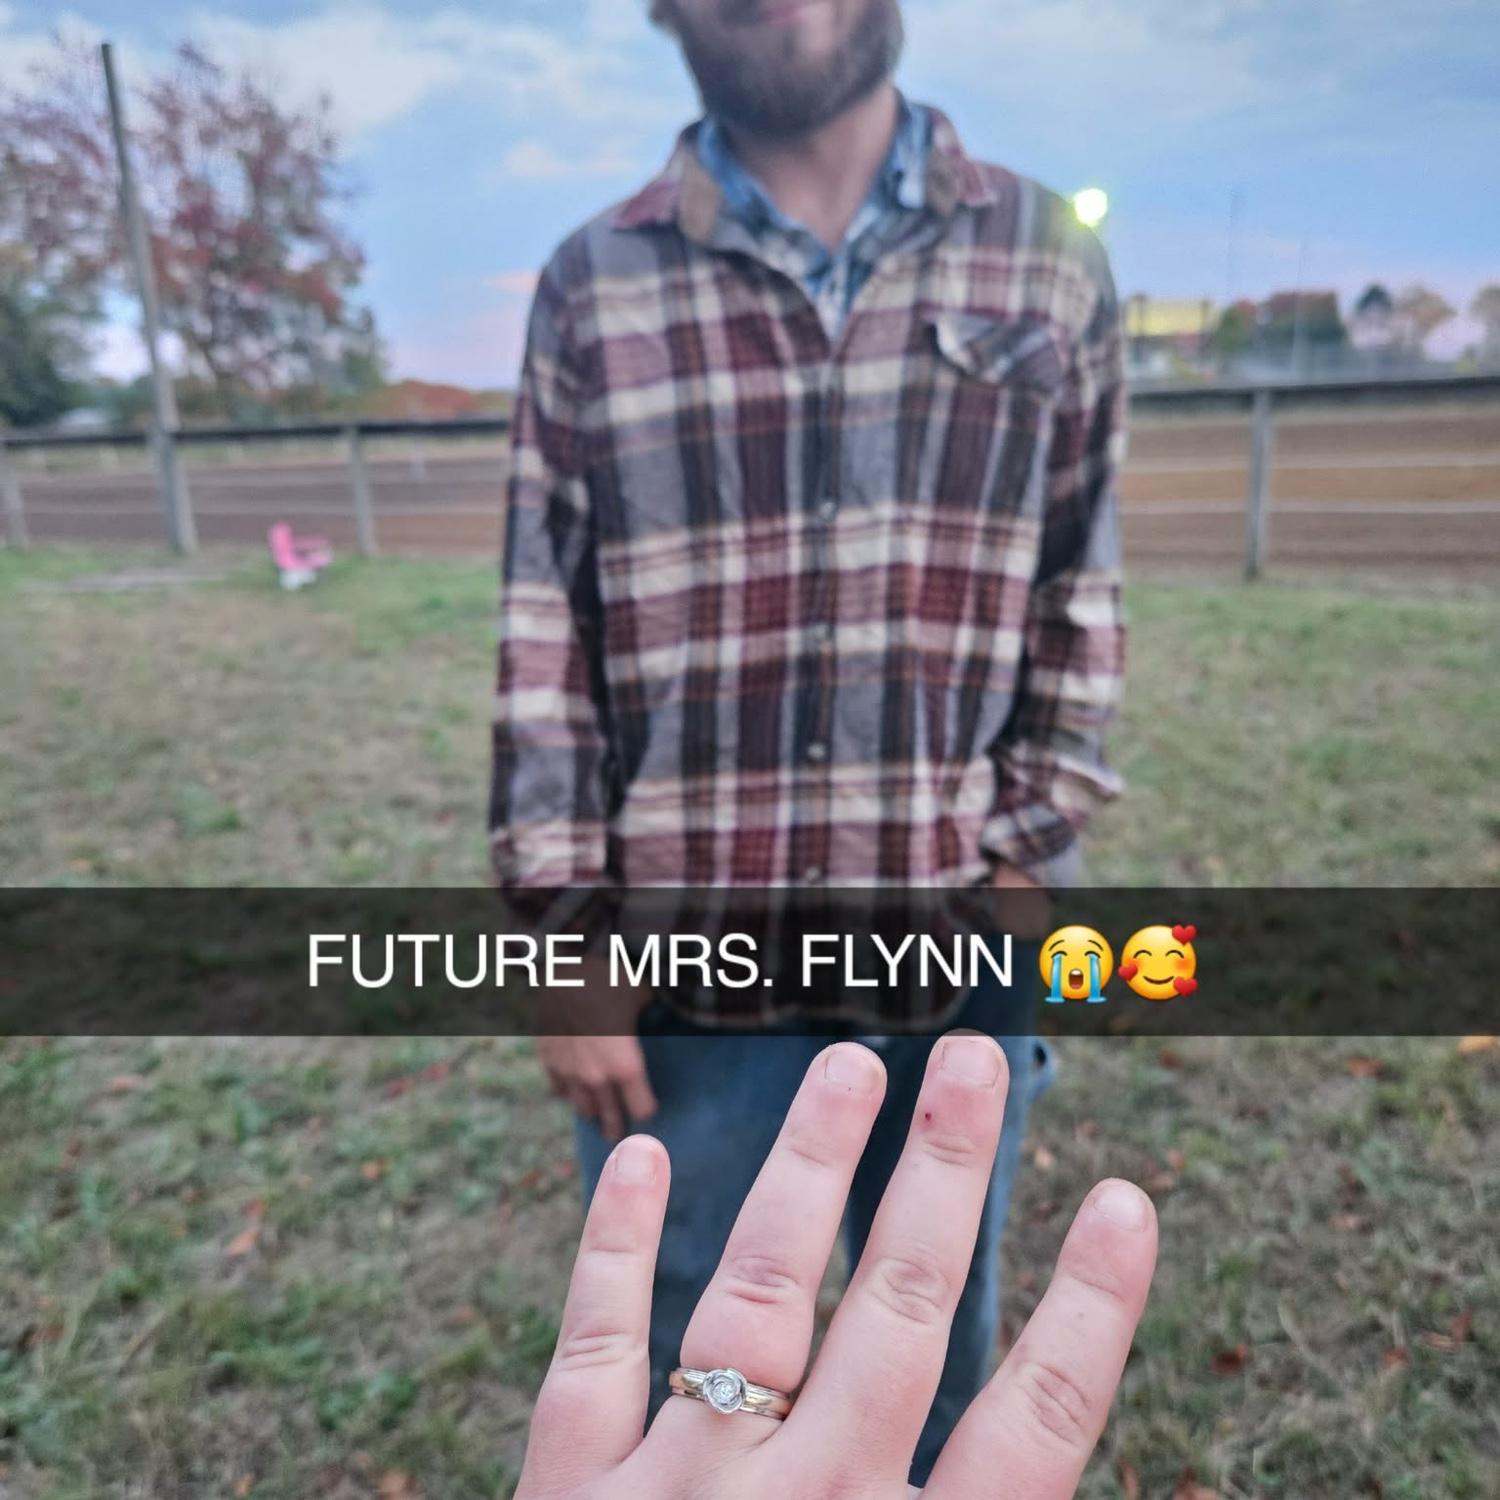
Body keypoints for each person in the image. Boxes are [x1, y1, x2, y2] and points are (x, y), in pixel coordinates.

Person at [489, 0, 1126, 1481]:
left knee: (935, 1343)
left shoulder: (1047, 258)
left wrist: (1029, 860)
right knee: (680, 1366)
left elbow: (1079, 584)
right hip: (685, 971)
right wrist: (560, 938)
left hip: (957, 943)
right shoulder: (593, 283)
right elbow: (543, 628)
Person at [513, 1038, 1157, 1499]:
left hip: (957, 942)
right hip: (700, 976)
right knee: (679, 1300)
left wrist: (1029, 887)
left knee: (939, 1295)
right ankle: (680, 1457)